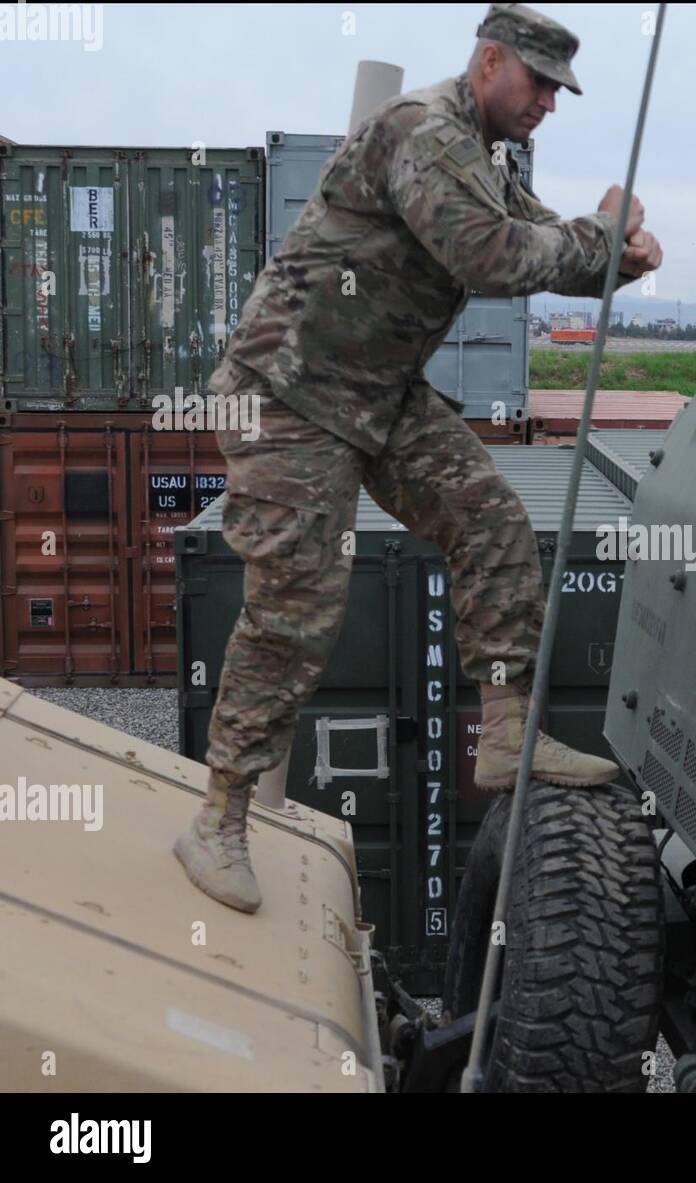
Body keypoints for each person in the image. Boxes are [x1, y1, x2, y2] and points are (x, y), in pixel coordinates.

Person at [174, 2, 663, 914]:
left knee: (493, 520)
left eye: (560, 91)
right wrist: (599, 231)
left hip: (374, 394)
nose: (550, 104)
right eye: (540, 83)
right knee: (297, 606)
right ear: (488, 62)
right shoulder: (424, 132)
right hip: (288, 391)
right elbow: (491, 255)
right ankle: (218, 821)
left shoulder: (481, 158)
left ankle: (508, 728)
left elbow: (546, 247)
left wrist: (622, 257)